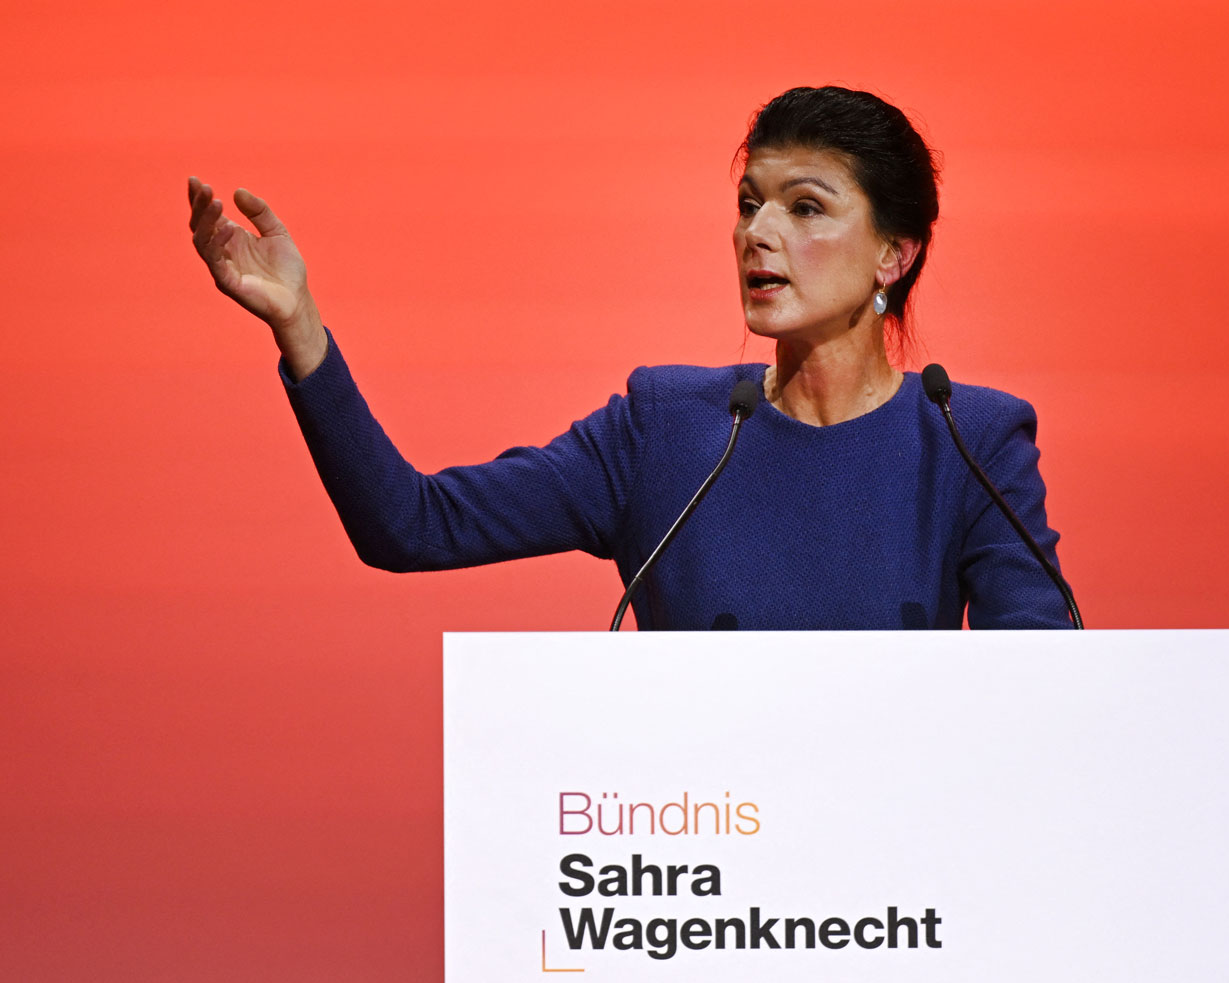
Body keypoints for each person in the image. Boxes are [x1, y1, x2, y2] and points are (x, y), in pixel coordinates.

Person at [187, 86, 1072, 630]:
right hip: (695, 886)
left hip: (896, 909)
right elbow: (412, 525)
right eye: (749, 201)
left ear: (894, 253)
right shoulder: (665, 430)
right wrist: (300, 325)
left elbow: (1040, 695)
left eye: (804, 208)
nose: (756, 233)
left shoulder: (969, 441)